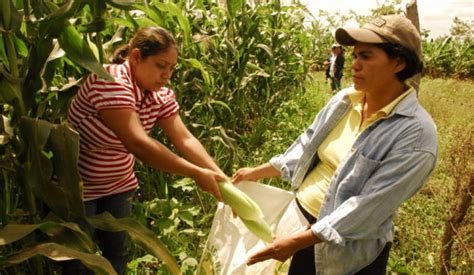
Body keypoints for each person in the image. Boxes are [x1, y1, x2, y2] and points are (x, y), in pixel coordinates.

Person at [232, 14, 437, 274]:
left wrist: (297, 242)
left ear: (398, 63)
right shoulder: (344, 101)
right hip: (300, 225)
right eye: (355, 56)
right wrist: (256, 171)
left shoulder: (416, 135)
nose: (355, 65)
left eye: (367, 56)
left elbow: (369, 207)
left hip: (343, 248)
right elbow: (306, 146)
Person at [66, 26, 226, 274]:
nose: (167, 75)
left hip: (119, 184)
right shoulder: (110, 80)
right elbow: (138, 143)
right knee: (79, 260)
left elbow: (185, 139)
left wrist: (220, 177)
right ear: (136, 56)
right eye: (161, 66)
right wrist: (196, 173)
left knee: (117, 252)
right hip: (78, 188)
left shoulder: (157, 95)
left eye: (172, 68)